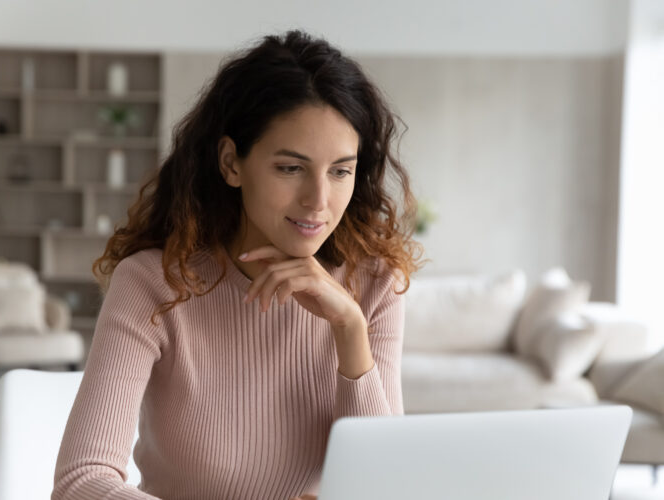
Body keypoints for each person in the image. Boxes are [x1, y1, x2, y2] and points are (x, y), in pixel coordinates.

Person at [51, 29, 425, 500]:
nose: (318, 201)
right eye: (290, 168)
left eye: (340, 170)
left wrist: (350, 328)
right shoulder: (153, 282)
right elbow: (81, 482)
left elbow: (386, 486)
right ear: (231, 163)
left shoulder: (374, 284)